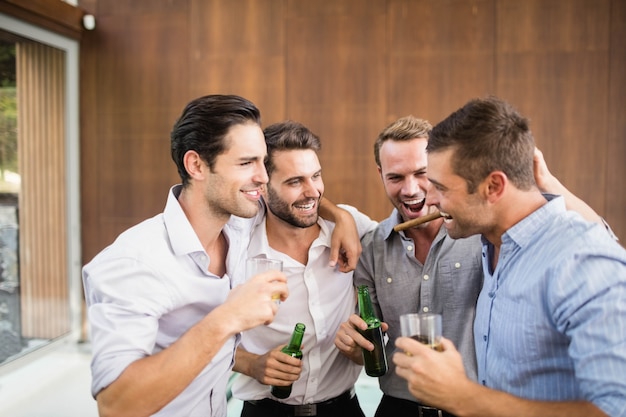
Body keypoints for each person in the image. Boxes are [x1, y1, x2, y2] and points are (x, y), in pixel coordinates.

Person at [82, 95, 360, 417]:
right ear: (196, 165)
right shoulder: (133, 263)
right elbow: (116, 405)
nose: (264, 176)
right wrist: (228, 318)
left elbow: (298, 197)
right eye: (246, 163)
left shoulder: (237, 227)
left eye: (262, 161)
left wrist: (342, 217)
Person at [334, 115, 613, 417]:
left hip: (477, 406)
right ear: (380, 173)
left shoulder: (482, 230)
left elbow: (603, 242)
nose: (412, 189)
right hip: (398, 407)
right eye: (396, 177)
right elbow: (369, 350)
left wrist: (548, 183)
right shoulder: (372, 245)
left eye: (424, 174)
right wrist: (356, 347)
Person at [232, 121, 377, 417]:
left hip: (344, 410)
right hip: (264, 411)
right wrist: (251, 364)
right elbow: (201, 329)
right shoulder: (236, 246)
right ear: (262, 186)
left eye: (316, 176)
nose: (313, 192)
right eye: (295, 181)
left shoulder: (351, 226)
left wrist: (341, 215)